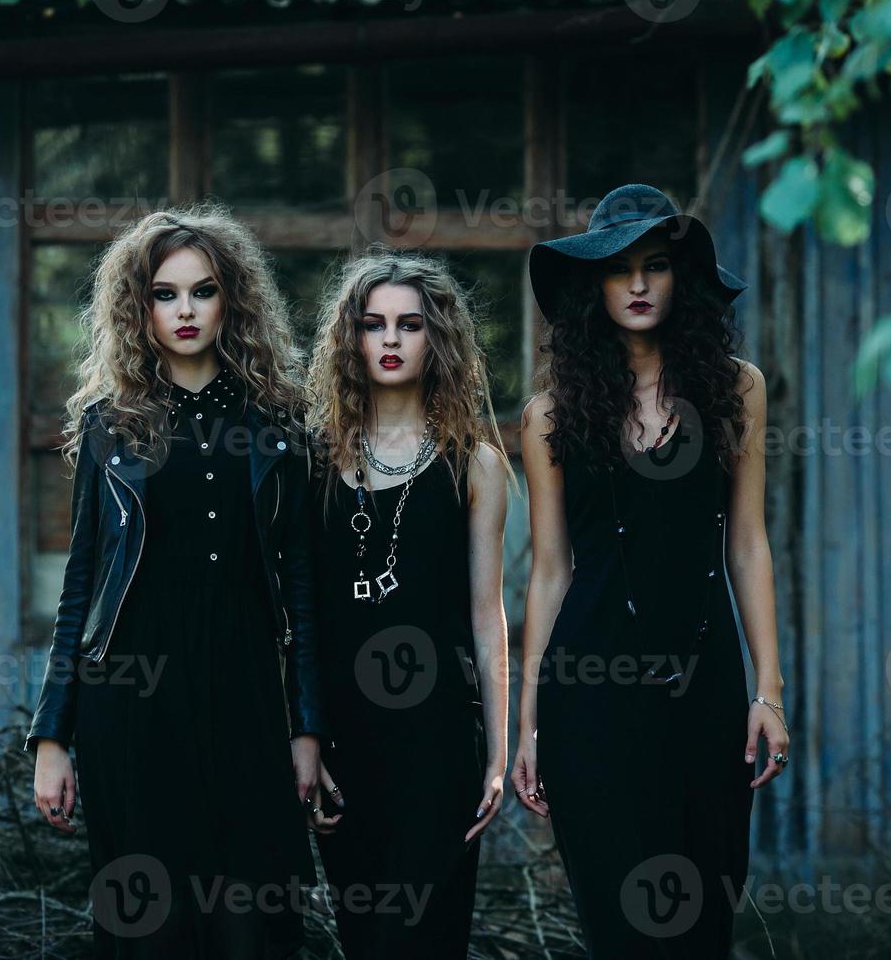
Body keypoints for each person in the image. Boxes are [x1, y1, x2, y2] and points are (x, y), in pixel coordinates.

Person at [26, 204, 327, 958]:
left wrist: (307, 725)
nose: (185, 310)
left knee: (253, 926)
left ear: (233, 300)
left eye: (203, 291)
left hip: (247, 690)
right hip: (133, 697)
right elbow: (83, 585)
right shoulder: (111, 425)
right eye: (166, 293)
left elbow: (301, 590)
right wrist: (51, 736)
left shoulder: (281, 424)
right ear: (140, 306)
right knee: (150, 927)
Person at [510, 184, 790, 958]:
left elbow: (748, 545)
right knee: (619, 922)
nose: (637, 285)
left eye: (656, 266)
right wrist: (528, 723)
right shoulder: (550, 414)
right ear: (591, 286)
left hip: (705, 686)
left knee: (706, 910)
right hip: (589, 695)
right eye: (618, 269)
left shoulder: (738, 387)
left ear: (681, 278)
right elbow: (549, 571)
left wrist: (768, 691)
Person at [304, 248, 512, 957]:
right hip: (344, 741)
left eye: (410, 325)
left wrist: (499, 749)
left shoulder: (475, 463)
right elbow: (294, 618)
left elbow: (489, 616)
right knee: (366, 937)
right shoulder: (312, 461)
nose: (390, 340)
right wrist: (303, 736)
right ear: (351, 339)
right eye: (373, 324)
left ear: (438, 338)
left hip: (439, 740)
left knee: (424, 936)